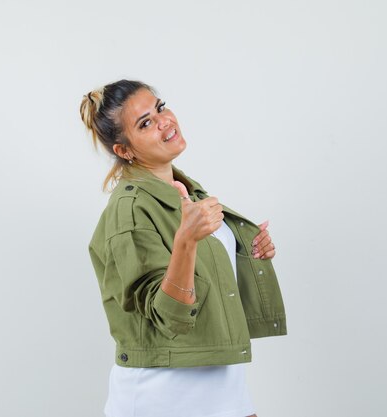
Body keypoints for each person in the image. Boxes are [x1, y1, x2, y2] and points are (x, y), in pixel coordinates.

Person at [80, 79, 286, 417]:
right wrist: (186, 241)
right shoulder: (130, 209)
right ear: (124, 151)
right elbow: (167, 315)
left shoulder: (188, 192)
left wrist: (247, 250)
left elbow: (206, 280)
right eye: (145, 123)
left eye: (160, 108)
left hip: (225, 388)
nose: (164, 122)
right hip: (163, 398)